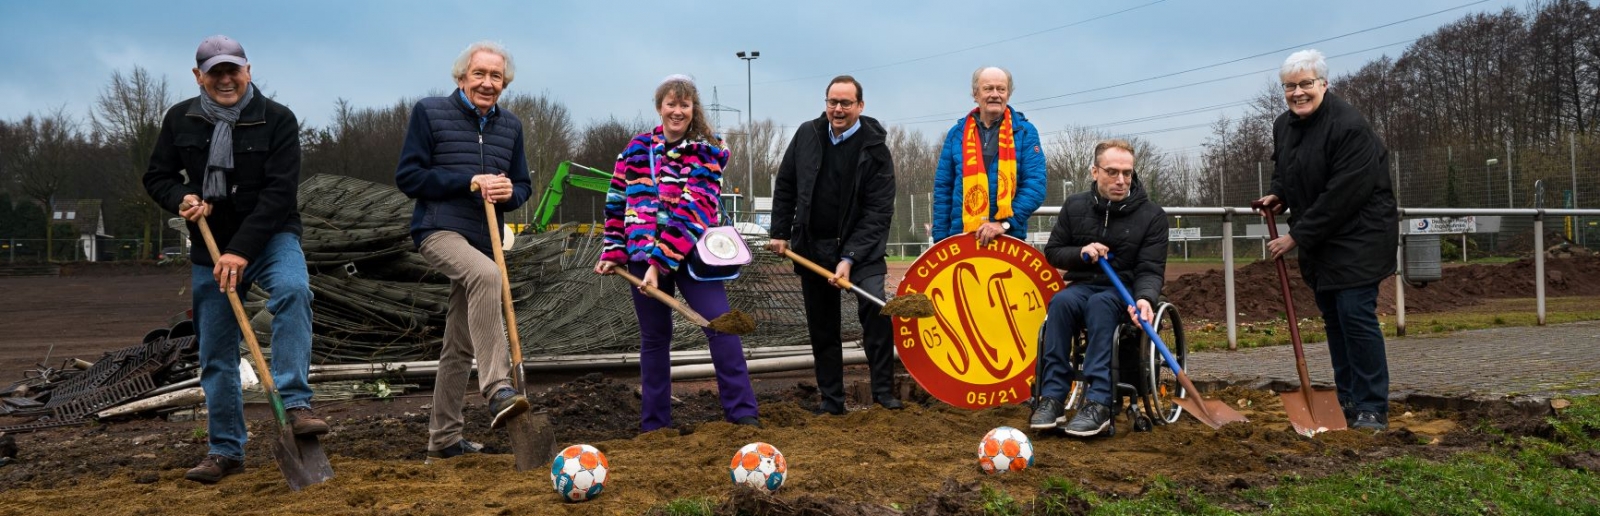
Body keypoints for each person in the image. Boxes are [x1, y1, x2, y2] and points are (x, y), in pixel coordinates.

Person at [144, 35, 327, 484]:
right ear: (198, 76)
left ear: (248, 70)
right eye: (215, 71)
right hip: (211, 246)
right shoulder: (179, 120)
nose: (225, 79)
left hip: (270, 237)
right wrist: (181, 198)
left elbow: (280, 194)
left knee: (293, 290)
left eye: (233, 70)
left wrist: (240, 251)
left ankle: (296, 405)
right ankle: (226, 450)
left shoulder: (278, 120)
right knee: (216, 353)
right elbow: (157, 176)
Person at [594, 75, 761, 432]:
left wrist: (659, 263)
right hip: (641, 257)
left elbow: (694, 211)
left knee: (720, 325)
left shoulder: (707, 151)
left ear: (692, 109)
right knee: (654, 339)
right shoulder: (635, 149)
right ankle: (655, 426)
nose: (678, 111)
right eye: (671, 104)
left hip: (693, 258)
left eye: (684, 105)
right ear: (660, 108)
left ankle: (743, 413)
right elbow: (616, 203)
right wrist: (614, 250)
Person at [395, 41, 534, 460]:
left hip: (482, 238)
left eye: (496, 77)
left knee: (458, 345)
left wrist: (511, 191)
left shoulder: (510, 126)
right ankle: (497, 388)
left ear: (504, 83)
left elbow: (523, 185)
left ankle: (444, 440)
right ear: (461, 78)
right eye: (479, 74)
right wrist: (468, 181)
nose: (487, 83)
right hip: (438, 230)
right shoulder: (429, 112)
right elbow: (409, 176)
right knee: (487, 275)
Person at [1256, 49, 1396, 431]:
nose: (1297, 93)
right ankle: (1347, 398)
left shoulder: (1349, 126)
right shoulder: (1284, 126)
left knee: (1355, 316)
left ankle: (1371, 407)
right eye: (1290, 86)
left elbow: (1344, 194)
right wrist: (1278, 193)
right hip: (1324, 242)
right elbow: (1287, 169)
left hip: (1360, 236)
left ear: (1323, 84)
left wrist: (1296, 236)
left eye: (1305, 84)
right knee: (1334, 319)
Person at [768, 75, 900, 415]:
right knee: (823, 327)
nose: (838, 109)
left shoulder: (875, 150)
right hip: (813, 246)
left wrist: (849, 257)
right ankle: (832, 401)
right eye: (832, 102)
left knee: (876, 308)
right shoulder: (806, 135)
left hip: (862, 251)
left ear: (860, 106)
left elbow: (878, 212)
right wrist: (780, 232)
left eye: (845, 103)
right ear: (826, 102)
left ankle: (884, 394)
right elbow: (785, 185)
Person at [1028, 140, 1168, 437]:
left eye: (1127, 173)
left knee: (1100, 305)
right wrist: (1081, 252)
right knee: (1061, 303)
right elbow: (1053, 251)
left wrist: (1145, 298)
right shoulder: (1075, 205)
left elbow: (1150, 269)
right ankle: (1052, 397)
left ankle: (1099, 403)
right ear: (1095, 171)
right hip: (1083, 284)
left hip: (1122, 290)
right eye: (1113, 172)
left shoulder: (1152, 216)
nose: (1121, 180)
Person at [932, 66, 1048, 246]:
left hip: (1008, 238)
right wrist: (940, 241)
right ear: (975, 94)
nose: (995, 94)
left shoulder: (1025, 132)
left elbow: (1035, 185)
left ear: (1008, 94)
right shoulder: (956, 134)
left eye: (1001, 89)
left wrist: (1004, 224)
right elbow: (943, 189)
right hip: (961, 238)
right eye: (988, 89)